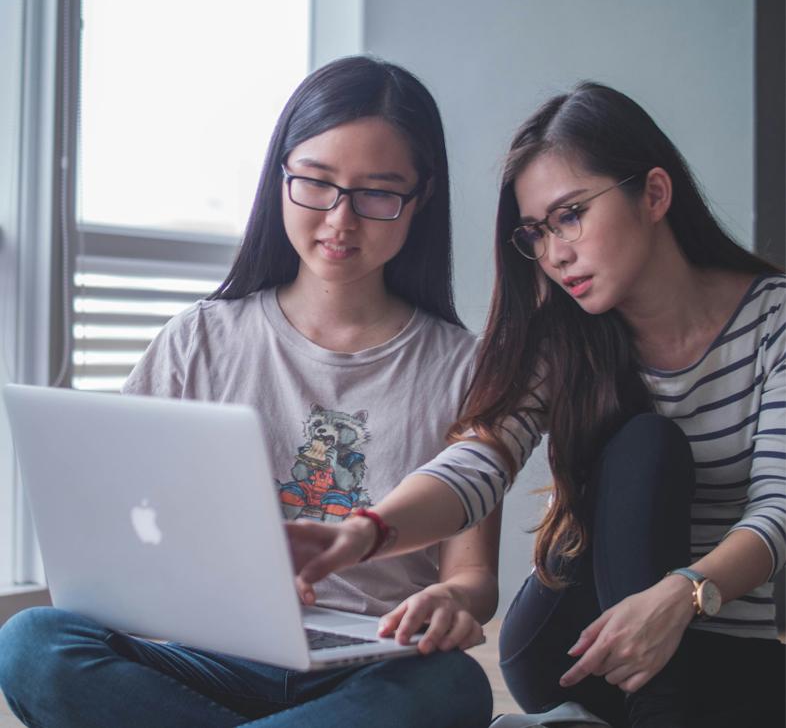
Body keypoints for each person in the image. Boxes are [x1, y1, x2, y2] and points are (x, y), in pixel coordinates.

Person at [0, 56, 497, 728]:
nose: (340, 220)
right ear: (281, 177)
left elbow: (472, 578)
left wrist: (455, 604)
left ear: (422, 197)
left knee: (454, 687)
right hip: (213, 655)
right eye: (317, 184)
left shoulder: (466, 368)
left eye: (378, 193)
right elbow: (115, 528)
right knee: (31, 644)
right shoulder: (198, 340)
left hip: (373, 664)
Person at [286, 82, 786, 728]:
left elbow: (779, 506)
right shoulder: (564, 334)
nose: (554, 255)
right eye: (536, 233)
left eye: (571, 214)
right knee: (647, 444)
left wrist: (683, 595)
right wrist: (365, 531)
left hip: (718, 641)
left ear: (655, 194)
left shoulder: (774, 319)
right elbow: (477, 461)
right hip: (575, 643)